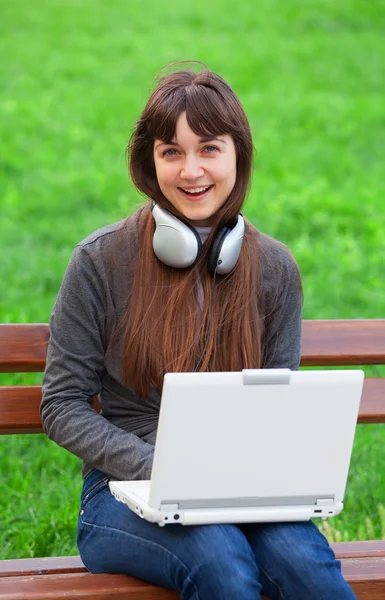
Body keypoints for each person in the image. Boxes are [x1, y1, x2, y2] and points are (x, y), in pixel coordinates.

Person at [41, 65, 357, 600]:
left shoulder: (275, 268)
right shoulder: (99, 261)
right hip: (123, 490)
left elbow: (277, 409)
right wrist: (162, 467)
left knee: (305, 564)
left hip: (241, 486)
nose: (191, 170)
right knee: (221, 559)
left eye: (209, 148)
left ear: (238, 155)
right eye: (171, 152)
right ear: (150, 161)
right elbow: (62, 404)